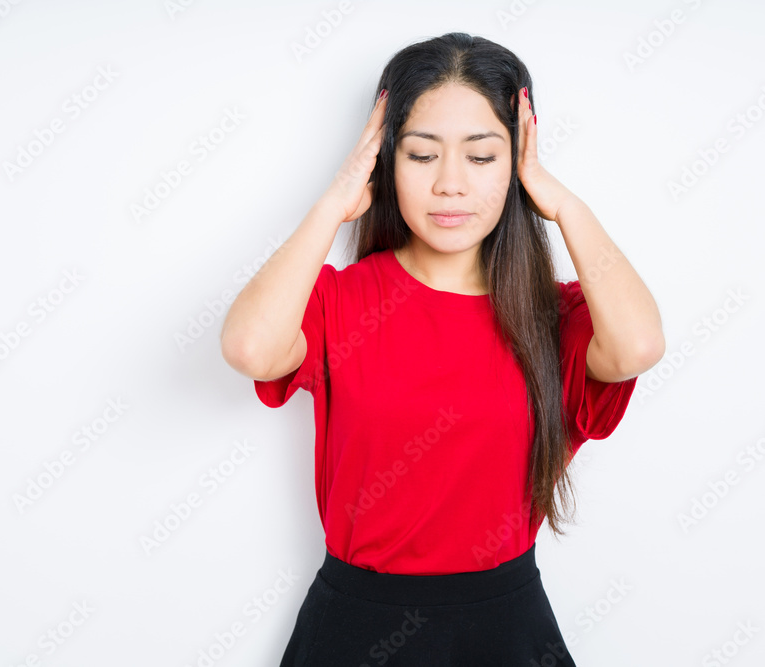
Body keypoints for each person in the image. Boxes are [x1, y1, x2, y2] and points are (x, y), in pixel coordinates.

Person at [220, 31, 664, 667]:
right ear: (386, 161)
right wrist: (334, 201)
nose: (450, 185)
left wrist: (560, 201)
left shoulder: (553, 316)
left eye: (482, 157)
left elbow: (639, 346)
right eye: (422, 155)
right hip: (354, 624)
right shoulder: (339, 301)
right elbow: (249, 348)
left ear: (515, 162)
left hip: (504, 626)